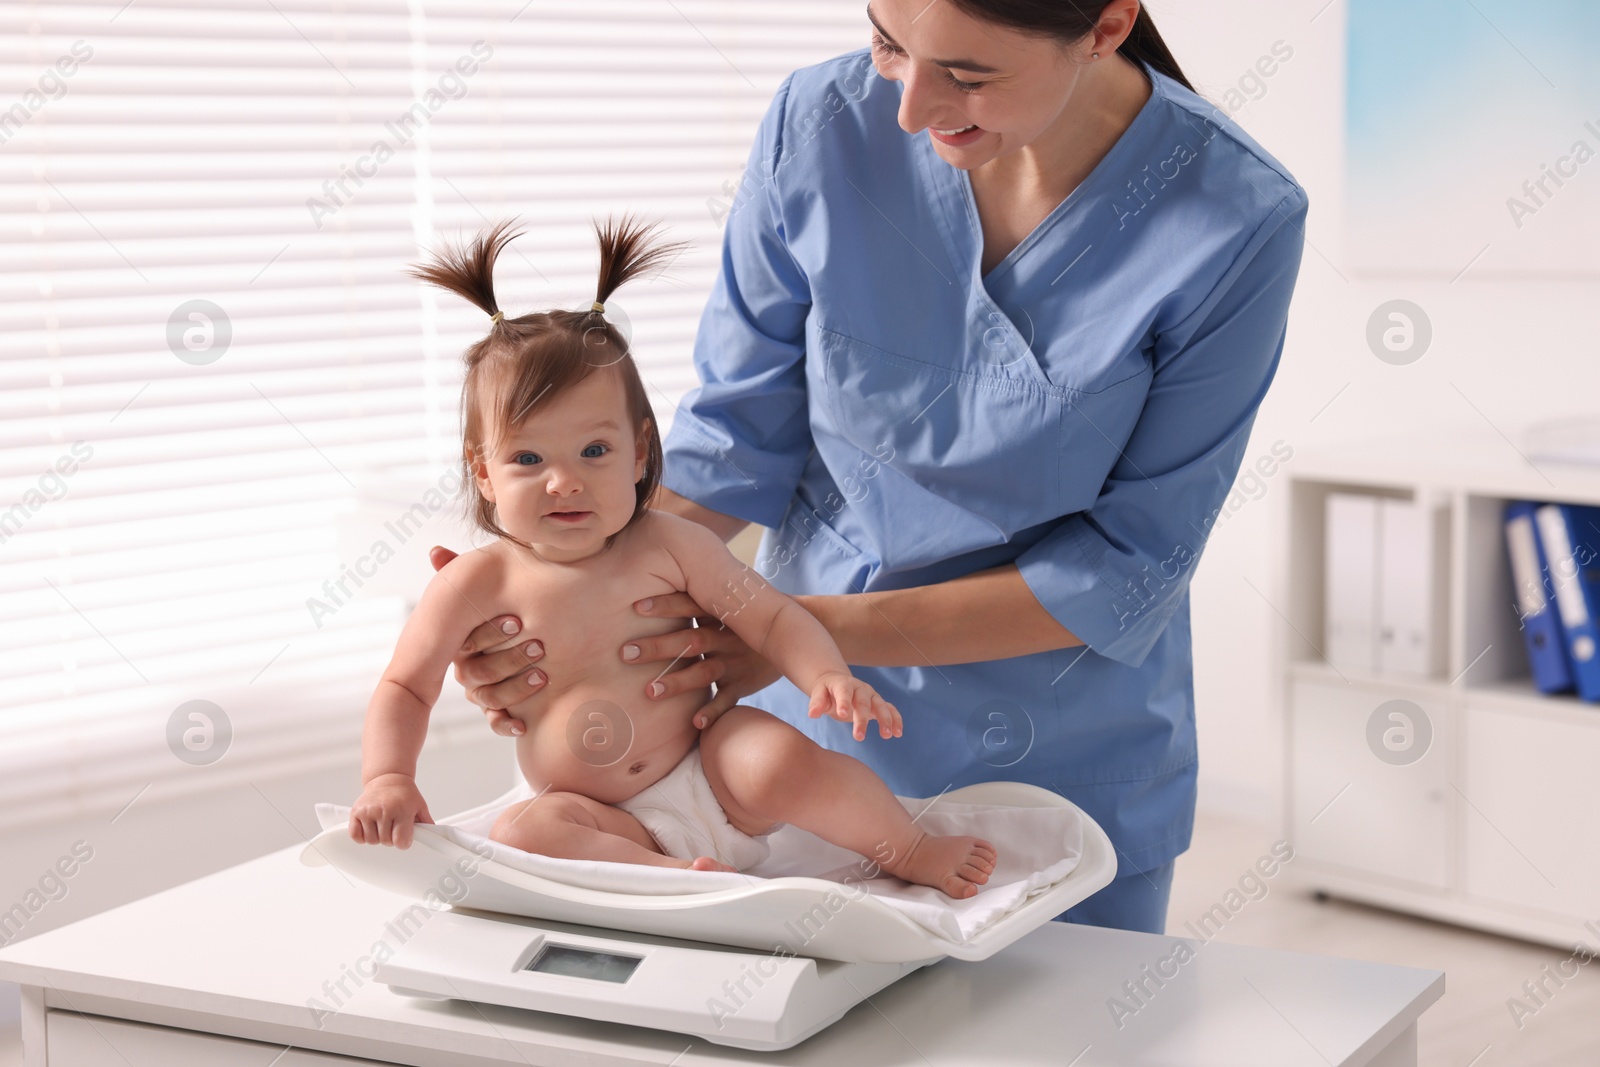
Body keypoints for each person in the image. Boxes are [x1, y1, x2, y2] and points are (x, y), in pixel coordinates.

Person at [434, 0, 1308, 934]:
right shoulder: (818, 125)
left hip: (1062, 759)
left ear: (1104, 24)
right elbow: (735, 439)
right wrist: (567, 605)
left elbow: (1127, 568)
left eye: (967, 75)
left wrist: (786, 631)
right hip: (800, 768)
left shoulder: (1232, 216)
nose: (907, 109)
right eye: (888, 43)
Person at [348, 216, 998, 899]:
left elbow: (772, 620)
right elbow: (405, 687)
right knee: (523, 832)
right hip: (602, 818)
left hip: (712, 773)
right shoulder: (477, 581)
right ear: (484, 474)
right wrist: (388, 776)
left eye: (594, 452)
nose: (563, 481)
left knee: (777, 757)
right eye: (528, 458)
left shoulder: (670, 545)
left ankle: (912, 847)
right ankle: (676, 878)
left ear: (638, 452)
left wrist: (826, 675)